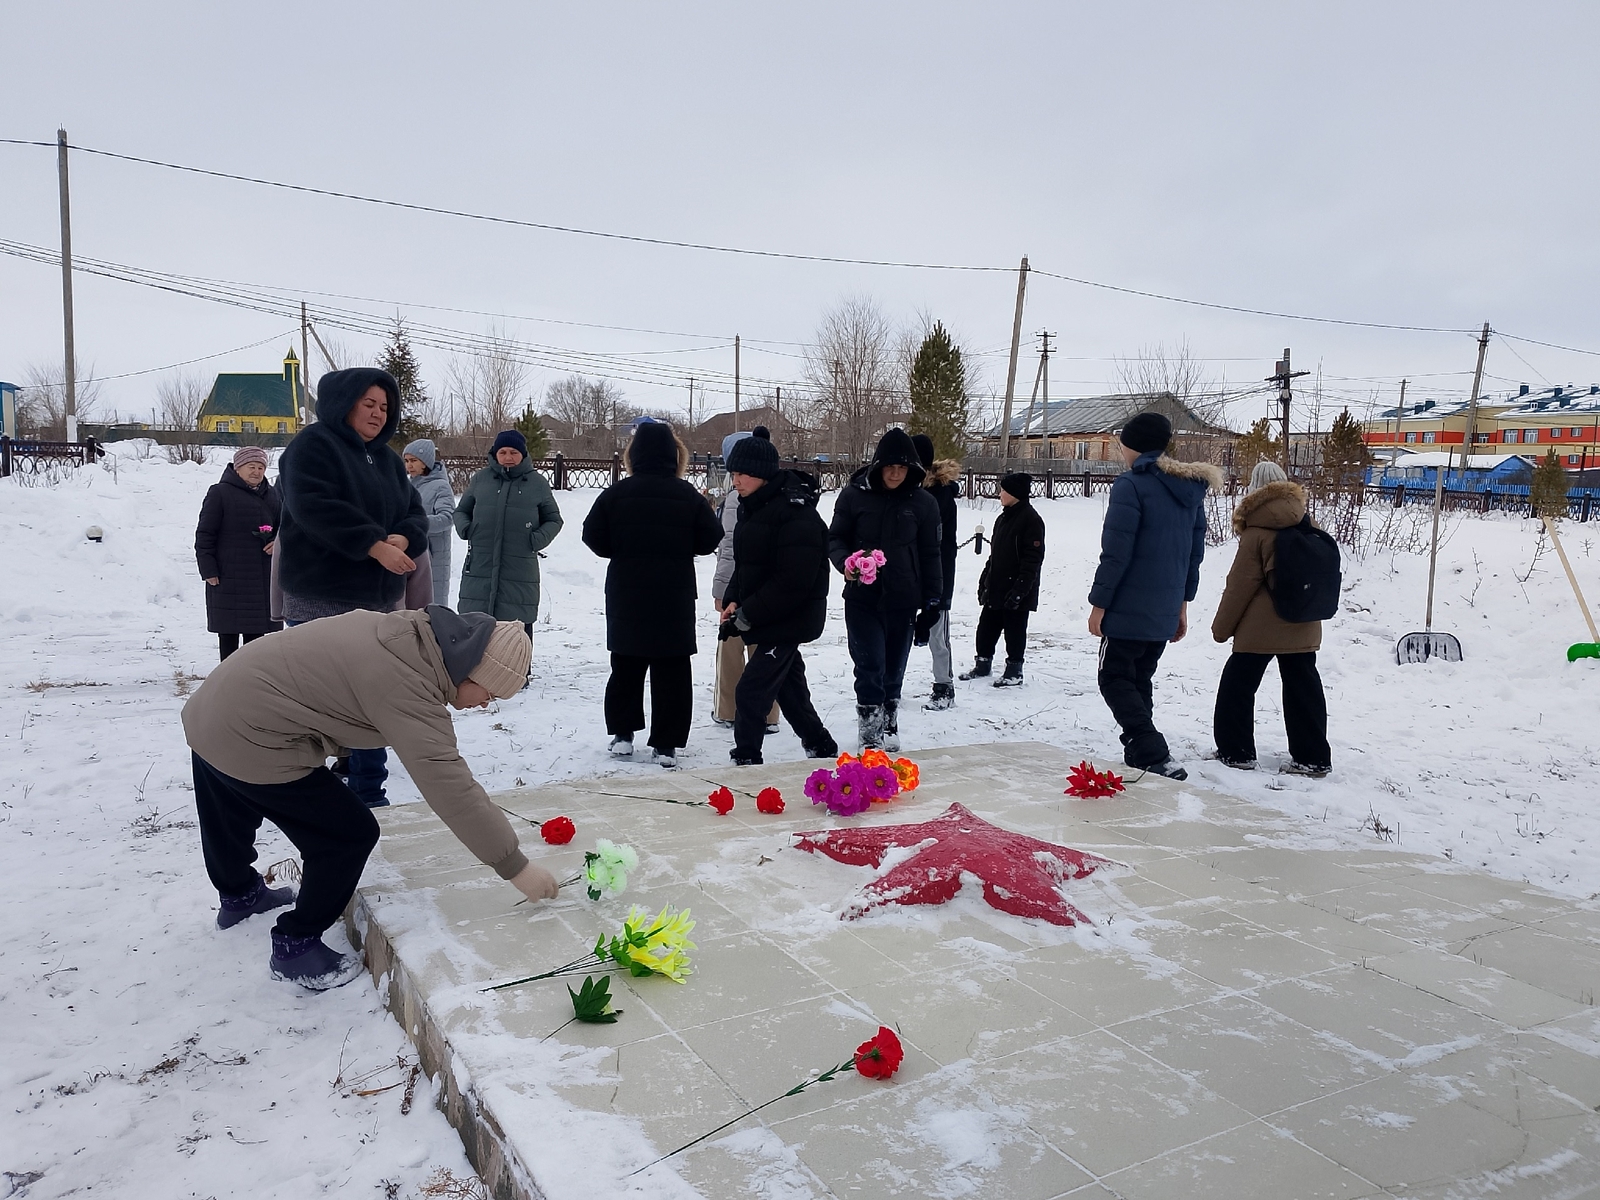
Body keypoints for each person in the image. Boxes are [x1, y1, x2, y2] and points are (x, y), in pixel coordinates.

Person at [183, 607, 556, 991]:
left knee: (226, 795)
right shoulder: (408, 683)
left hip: (214, 707)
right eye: (490, 691)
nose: (485, 703)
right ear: (471, 670)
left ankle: (239, 896)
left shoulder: (410, 637)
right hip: (250, 730)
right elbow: (451, 787)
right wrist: (516, 867)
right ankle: (296, 946)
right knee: (348, 835)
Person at [276, 367, 428, 808]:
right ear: (344, 403)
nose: (379, 414)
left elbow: (413, 511)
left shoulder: (385, 458)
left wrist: (402, 538)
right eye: (369, 404)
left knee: (372, 696)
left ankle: (368, 790)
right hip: (320, 596)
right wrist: (373, 545)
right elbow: (314, 508)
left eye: (385, 406)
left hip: (375, 600)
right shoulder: (312, 447)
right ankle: (305, 791)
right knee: (313, 699)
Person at [1087, 411, 1222, 781]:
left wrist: (1099, 604)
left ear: (1131, 445)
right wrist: (1182, 606)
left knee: (1113, 677)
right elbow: (1194, 554)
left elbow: (1116, 552)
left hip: (1128, 606)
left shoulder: (1131, 485)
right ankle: (1141, 752)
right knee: (1140, 677)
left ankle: (1150, 750)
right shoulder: (1189, 489)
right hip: (1164, 606)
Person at [582, 422, 723, 768]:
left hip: (626, 593)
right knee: (672, 669)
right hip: (672, 595)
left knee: (625, 665)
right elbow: (711, 538)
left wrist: (623, 549)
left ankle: (623, 735)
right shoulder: (687, 494)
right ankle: (666, 743)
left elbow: (593, 536)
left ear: (633, 455)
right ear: (675, 455)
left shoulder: (615, 494)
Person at [718, 432, 838, 765]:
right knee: (790, 689)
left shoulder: (796, 514)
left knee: (751, 691)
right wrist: (732, 598)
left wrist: (748, 613)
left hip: (791, 617)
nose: (736, 480)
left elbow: (792, 582)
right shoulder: (752, 507)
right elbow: (747, 565)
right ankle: (821, 747)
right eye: (733, 473)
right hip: (769, 613)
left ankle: (746, 760)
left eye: (743, 473)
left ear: (764, 473)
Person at [1210, 460, 1332, 777]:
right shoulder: (1308, 524)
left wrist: (1221, 629)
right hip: (1303, 620)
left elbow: (1239, 586)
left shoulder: (1256, 532)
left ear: (1255, 491)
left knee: (1237, 686)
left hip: (1259, 628)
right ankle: (1313, 757)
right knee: (1303, 687)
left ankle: (1235, 751)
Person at [828, 427, 942, 752]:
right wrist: (846, 562)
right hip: (862, 599)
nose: (895, 473)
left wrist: (933, 602)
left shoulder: (923, 503)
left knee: (893, 669)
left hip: (904, 600)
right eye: (890, 466)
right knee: (869, 665)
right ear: (878, 465)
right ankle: (870, 732)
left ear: (912, 469)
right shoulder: (854, 496)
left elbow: (932, 555)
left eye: (902, 467)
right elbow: (835, 538)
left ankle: (889, 721)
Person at [455, 430, 563, 642]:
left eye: (514, 452)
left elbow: (554, 519)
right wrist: (467, 529)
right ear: (495, 454)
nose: (508, 457)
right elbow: (461, 511)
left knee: (516, 629)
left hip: (519, 569)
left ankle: (519, 673)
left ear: (523, 454)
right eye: (502, 452)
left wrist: (536, 540)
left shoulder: (537, 483)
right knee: (476, 628)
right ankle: (474, 673)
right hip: (480, 566)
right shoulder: (480, 479)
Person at [710, 428, 778, 732]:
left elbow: (728, 547)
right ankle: (769, 714)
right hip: (770, 587)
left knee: (731, 643)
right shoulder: (780, 493)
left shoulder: (738, 498)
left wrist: (722, 590)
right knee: (768, 648)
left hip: (740, 586)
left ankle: (727, 710)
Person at [195, 446, 282, 661]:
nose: (257, 472)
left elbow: (285, 527)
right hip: (228, 577)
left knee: (257, 640)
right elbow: (205, 534)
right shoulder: (220, 493)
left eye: (261, 467)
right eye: (251, 466)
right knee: (229, 636)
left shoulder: (272, 495)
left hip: (261, 578)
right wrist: (208, 570)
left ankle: (252, 683)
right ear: (237, 468)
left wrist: (277, 542)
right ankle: (228, 684)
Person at [959, 471, 1045, 688]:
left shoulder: (1031, 520)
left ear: (1015, 493)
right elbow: (995, 554)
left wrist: (1020, 590)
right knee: (986, 627)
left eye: (1004, 490)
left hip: (1016, 589)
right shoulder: (1003, 518)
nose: (1000, 494)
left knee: (1015, 631)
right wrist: (984, 579)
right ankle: (982, 664)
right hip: (996, 586)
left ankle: (1014, 670)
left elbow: (1032, 561)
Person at [911, 434, 962, 710]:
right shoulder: (907, 491)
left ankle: (944, 686)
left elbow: (941, 543)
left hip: (937, 573)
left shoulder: (939, 496)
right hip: (909, 573)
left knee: (937, 635)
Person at [402, 439, 457, 607]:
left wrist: (417, 524)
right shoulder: (408, 486)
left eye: (414, 460)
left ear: (425, 462)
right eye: (406, 461)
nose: (409, 465)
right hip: (410, 554)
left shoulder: (440, 486)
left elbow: (447, 518)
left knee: (433, 609)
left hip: (434, 557)